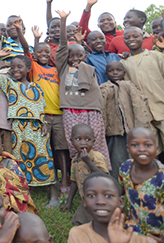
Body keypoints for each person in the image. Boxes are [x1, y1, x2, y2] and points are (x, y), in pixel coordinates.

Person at [0, 47, 58, 207]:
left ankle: (53, 193)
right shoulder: (9, 84)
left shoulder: (36, 87)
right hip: (18, 126)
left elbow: (41, 106)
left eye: (19, 67)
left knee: (43, 157)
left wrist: (44, 124)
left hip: (36, 126)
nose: (15, 70)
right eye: (13, 67)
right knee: (21, 158)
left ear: (28, 69)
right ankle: (26, 191)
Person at [55, 10, 111, 168]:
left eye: (79, 56)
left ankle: (101, 173)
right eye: (71, 56)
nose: (75, 59)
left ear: (85, 57)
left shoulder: (89, 68)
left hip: (92, 110)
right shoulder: (64, 68)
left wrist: (80, 45)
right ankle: (79, 174)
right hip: (71, 110)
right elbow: (62, 47)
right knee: (74, 144)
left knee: (97, 143)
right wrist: (63, 20)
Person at [22, 22, 70, 196]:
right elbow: (26, 50)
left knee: (61, 149)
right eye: (40, 52)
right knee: (42, 148)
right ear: (35, 54)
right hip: (40, 116)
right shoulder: (33, 67)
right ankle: (41, 179)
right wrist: (30, 36)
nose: (44, 54)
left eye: (47, 52)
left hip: (58, 114)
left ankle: (64, 178)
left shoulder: (57, 69)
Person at [68, 172, 155, 243]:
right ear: (84, 201)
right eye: (91, 195)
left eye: (108, 196)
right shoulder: (78, 234)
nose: (100, 201)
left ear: (120, 202)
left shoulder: (137, 240)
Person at [100, 61, 152, 178]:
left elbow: (139, 106)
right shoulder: (103, 88)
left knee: (134, 157)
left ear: (124, 72)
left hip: (132, 130)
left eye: (118, 70)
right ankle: (118, 186)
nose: (115, 73)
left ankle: (137, 181)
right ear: (106, 74)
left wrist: (141, 128)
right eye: (111, 71)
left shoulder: (129, 85)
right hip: (114, 132)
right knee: (116, 158)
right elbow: (101, 110)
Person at [120, 26, 164, 156]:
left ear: (143, 38)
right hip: (142, 115)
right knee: (151, 151)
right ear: (124, 42)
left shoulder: (156, 56)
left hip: (161, 107)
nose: (131, 39)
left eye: (135, 36)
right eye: (127, 37)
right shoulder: (123, 63)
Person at [119, 127, 164, 239]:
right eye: (135, 145)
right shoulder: (125, 168)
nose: (142, 149)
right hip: (133, 230)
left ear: (156, 148)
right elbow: (120, 189)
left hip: (159, 234)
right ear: (128, 148)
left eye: (148, 145)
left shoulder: (161, 177)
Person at [61, 124, 109, 225]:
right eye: (78, 139)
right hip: (86, 200)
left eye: (88, 139)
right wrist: (69, 202)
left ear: (93, 141)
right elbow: (74, 182)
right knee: (77, 221)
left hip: (100, 198)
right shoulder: (75, 160)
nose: (83, 143)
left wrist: (88, 162)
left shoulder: (96, 157)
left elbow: (105, 177)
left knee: (100, 221)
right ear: (71, 141)